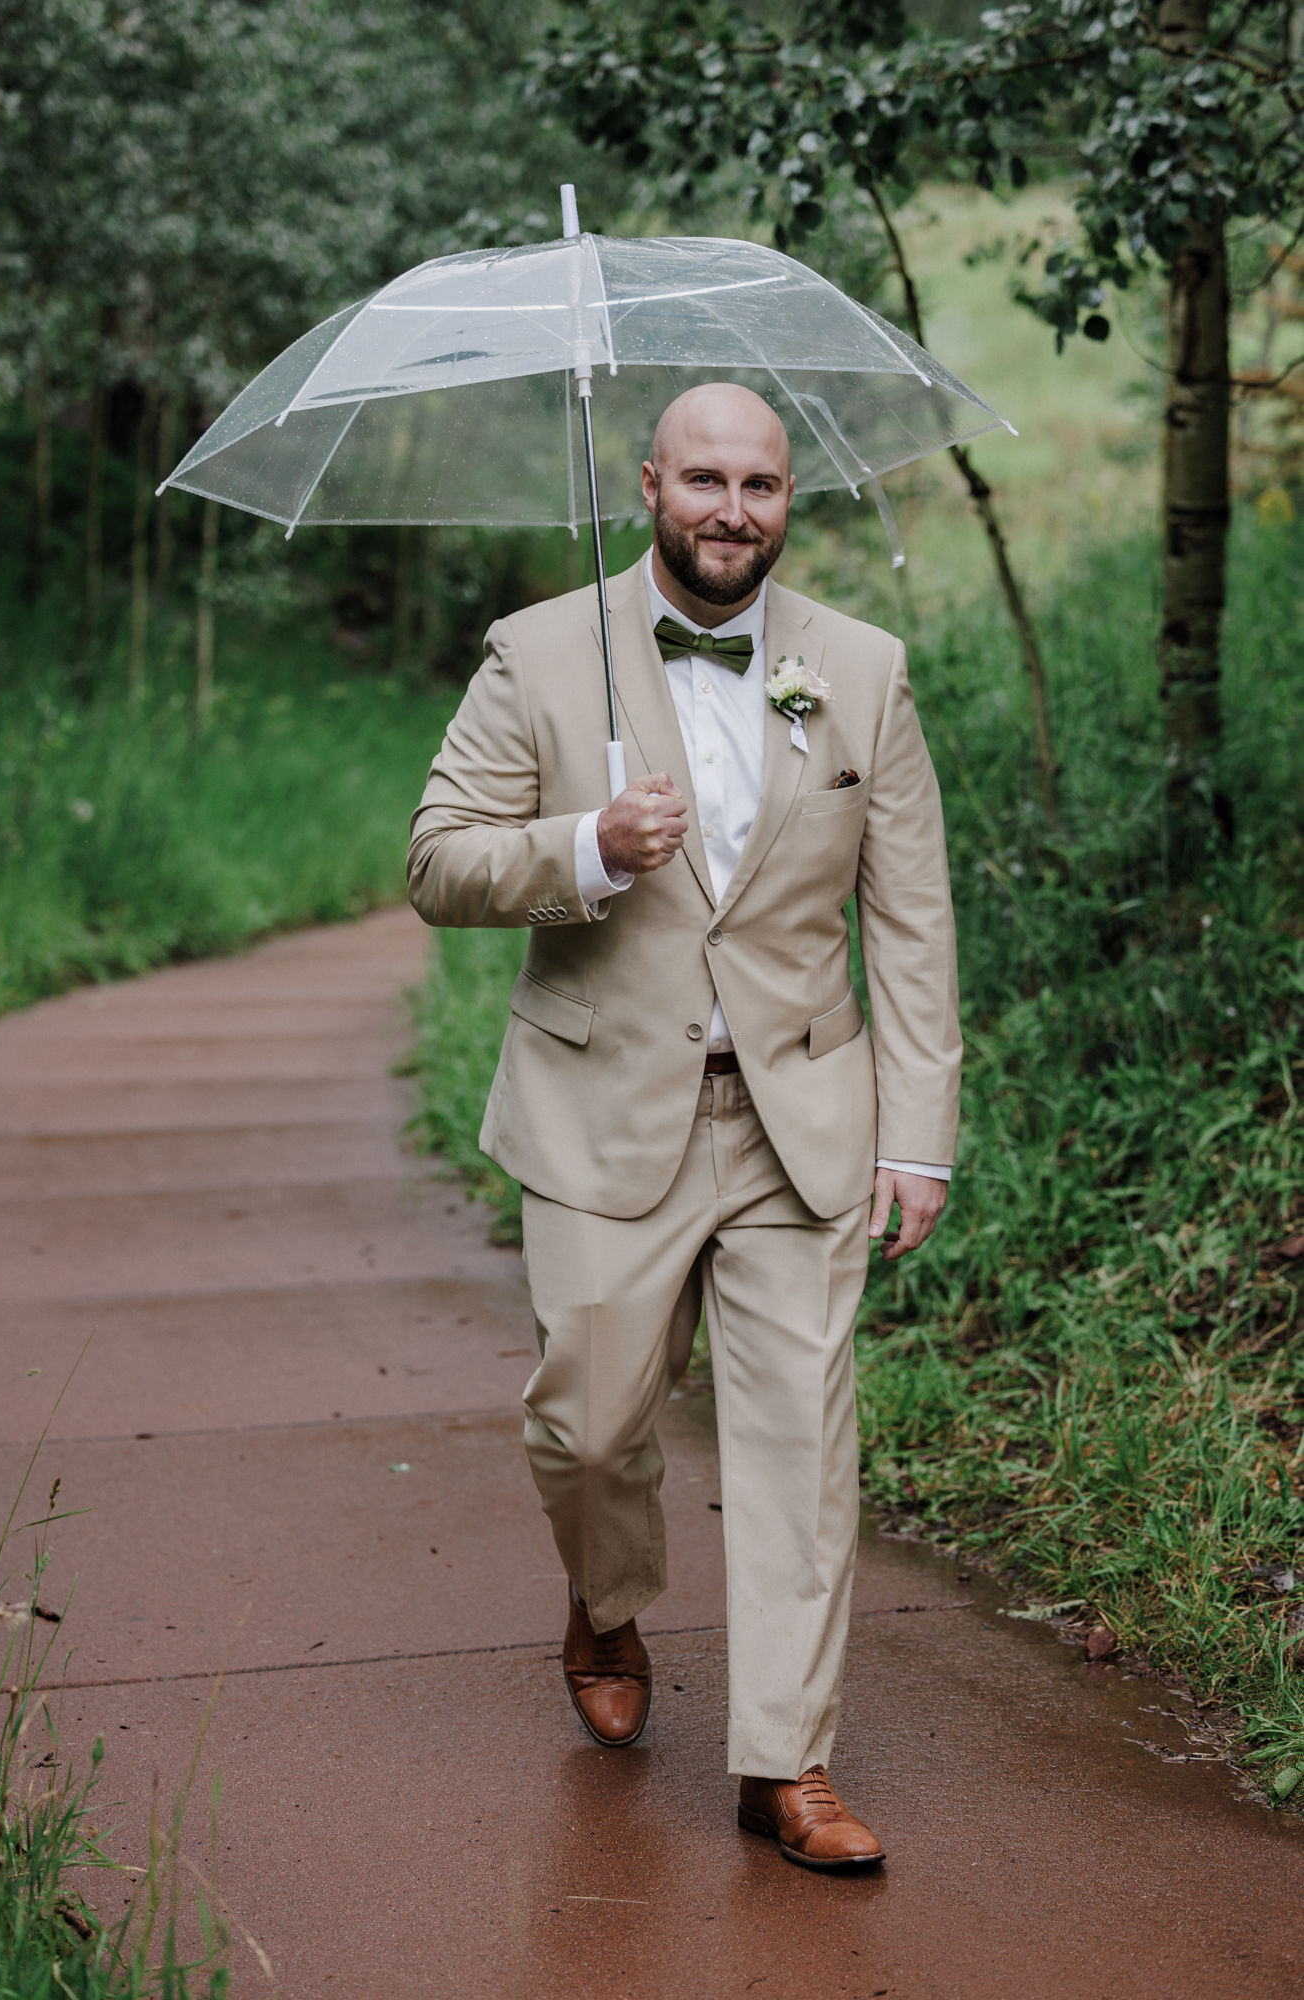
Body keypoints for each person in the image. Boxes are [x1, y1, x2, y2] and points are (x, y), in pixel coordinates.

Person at [407, 383, 958, 1871]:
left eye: (760, 486)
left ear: (791, 500)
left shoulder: (860, 666)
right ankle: (605, 1595)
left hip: (798, 1119)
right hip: (600, 1114)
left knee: (801, 1445)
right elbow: (437, 864)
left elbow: (908, 922)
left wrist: (919, 1132)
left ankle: (787, 1764)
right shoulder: (536, 655)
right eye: (702, 479)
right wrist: (585, 845)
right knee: (587, 1431)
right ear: (648, 483)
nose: (732, 511)